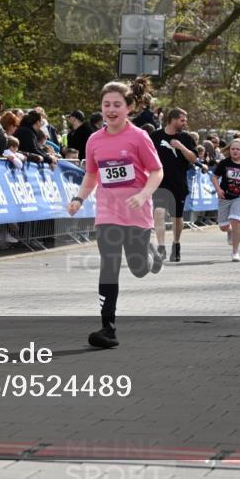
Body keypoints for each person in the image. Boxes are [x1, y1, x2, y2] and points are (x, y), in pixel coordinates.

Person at [66, 81, 164, 349]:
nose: (110, 110)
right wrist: (78, 198)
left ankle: (150, 253)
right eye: (106, 105)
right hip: (107, 212)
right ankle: (107, 328)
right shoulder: (94, 140)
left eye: (117, 105)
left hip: (136, 213)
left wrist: (144, 195)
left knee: (138, 269)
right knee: (109, 266)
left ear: (129, 108)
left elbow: (156, 171)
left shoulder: (139, 137)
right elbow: (91, 174)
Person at [150, 108, 198, 263]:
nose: (185, 123)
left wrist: (181, 147)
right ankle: (161, 247)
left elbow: (194, 159)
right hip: (160, 182)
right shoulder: (155, 136)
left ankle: (176, 244)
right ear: (173, 119)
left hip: (179, 182)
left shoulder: (186, 138)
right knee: (158, 212)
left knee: (177, 216)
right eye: (182, 120)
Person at [211, 138, 240, 262]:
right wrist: (218, 189)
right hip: (225, 197)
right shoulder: (224, 163)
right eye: (232, 149)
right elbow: (214, 177)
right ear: (229, 150)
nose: (235, 151)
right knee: (223, 226)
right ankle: (229, 231)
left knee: (236, 220)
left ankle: (235, 252)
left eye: (237, 149)